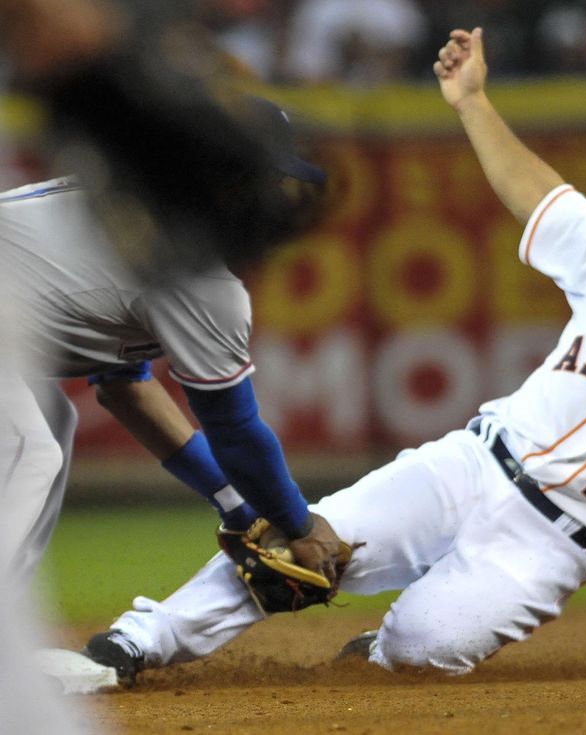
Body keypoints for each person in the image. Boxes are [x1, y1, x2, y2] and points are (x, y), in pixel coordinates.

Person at [76, 27, 586, 684]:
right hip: (471, 464)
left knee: (418, 649)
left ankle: (386, 646)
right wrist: (471, 101)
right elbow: (538, 192)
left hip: (551, 547)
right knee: (296, 547)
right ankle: (134, 640)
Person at [0, 98, 348, 599]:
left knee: (51, 422)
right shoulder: (194, 274)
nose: (272, 197)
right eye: (260, 178)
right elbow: (236, 432)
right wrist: (297, 522)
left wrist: (236, 503)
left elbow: (126, 389)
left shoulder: (143, 218)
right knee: (27, 452)